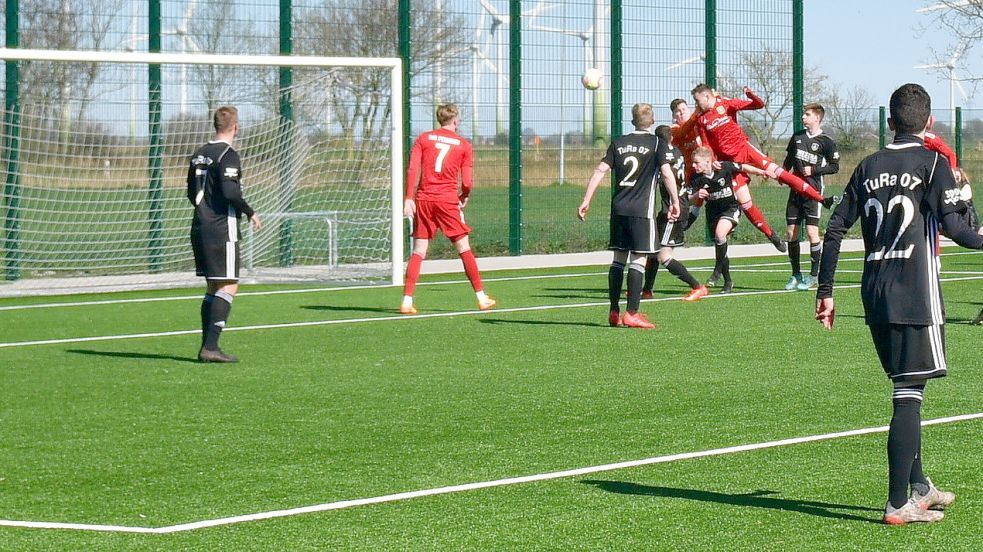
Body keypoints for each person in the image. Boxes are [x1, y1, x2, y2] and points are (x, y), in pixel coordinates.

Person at [816, 83, 983, 525]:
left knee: (908, 386)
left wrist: (825, 292)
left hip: (874, 293)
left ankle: (920, 485)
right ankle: (897, 504)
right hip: (915, 292)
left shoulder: (867, 165)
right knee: (908, 395)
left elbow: (833, 231)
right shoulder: (932, 163)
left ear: (890, 122)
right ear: (928, 123)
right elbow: (957, 229)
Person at [690, 84, 840, 252]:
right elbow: (706, 145)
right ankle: (771, 236)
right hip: (731, 162)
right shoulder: (701, 119)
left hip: (746, 150)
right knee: (745, 203)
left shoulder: (725, 103)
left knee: (780, 174)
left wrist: (751, 95)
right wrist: (712, 160)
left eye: (697, 100)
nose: (696, 104)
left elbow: (758, 105)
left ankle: (822, 199)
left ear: (707, 97)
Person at [578, 103, 680, 328]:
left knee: (618, 259)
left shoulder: (619, 143)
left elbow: (600, 170)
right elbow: (666, 173)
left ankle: (614, 309)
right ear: (651, 121)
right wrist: (674, 201)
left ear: (632, 121)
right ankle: (632, 312)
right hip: (641, 212)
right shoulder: (657, 143)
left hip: (618, 210)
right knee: (639, 259)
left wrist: (586, 200)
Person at [401, 103, 495, 315]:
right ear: (455, 120)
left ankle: (407, 300)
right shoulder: (463, 145)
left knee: (418, 251)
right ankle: (481, 297)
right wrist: (464, 195)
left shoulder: (423, 139)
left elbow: (413, 168)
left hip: (423, 199)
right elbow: (468, 182)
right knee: (464, 248)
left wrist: (409, 197)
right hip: (446, 200)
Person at [188, 106, 262, 363]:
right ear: (236, 127)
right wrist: (250, 212)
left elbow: (190, 193)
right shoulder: (227, 155)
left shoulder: (199, 154)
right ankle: (210, 347)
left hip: (200, 226)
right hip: (221, 227)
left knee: (213, 286)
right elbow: (230, 193)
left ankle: (207, 346)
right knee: (229, 285)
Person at [641, 125, 708, 302]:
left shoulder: (660, 155)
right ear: (671, 138)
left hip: (674, 208)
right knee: (654, 249)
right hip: (674, 206)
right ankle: (647, 290)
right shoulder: (677, 152)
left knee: (663, 255)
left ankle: (697, 286)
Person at [690, 146, 769, 294]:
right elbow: (687, 199)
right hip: (713, 214)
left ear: (708, 161)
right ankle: (727, 281)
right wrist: (694, 197)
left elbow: (742, 167)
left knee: (720, 235)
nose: (694, 166)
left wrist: (761, 171)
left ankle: (716, 271)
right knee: (721, 246)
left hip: (731, 209)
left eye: (696, 162)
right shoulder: (696, 178)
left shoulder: (724, 167)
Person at [782, 103, 840, 291]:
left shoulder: (826, 141)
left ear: (817, 118)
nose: (803, 117)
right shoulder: (797, 137)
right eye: (803, 114)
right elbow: (789, 159)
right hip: (795, 192)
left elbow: (834, 166)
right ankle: (795, 274)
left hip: (813, 192)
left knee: (812, 233)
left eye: (807, 115)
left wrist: (814, 169)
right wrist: (782, 174)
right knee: (791, 233)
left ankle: (814, 275)